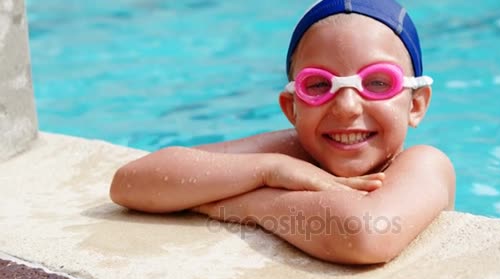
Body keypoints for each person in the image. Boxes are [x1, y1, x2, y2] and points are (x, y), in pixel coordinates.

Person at [110, 0, 455, 265]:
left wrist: (244, 204)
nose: (347, 106)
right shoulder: (289, 152)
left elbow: (364, 235)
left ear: (416, 104)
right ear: (292, 108)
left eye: (377, 83)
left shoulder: (427, 164)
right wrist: (270, 169)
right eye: (319, 85)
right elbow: (131, 182)